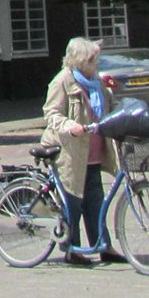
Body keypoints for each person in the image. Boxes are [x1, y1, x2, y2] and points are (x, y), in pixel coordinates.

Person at [42, 36, 123, 266]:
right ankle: (71, 250)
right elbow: (52, 114)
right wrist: (71, 127)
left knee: (96, 203)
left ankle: (103, 247)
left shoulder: (95, 81)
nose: (96, 64)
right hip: (70, 153)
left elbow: (110, 105)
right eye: (92, 60)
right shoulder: (62, 82)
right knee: (72, 203)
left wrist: (122, 117)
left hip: (93, 153)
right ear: (78, 61)